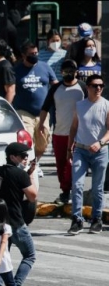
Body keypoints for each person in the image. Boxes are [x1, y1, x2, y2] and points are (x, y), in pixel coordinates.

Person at [0, 142, 38, 286]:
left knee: (1, 259)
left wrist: (27, 172)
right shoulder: (20, 174)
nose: (26, 159)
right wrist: (30, 176)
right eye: (22, 156)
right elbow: (32, 196)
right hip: (16, 223)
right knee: (30, 255)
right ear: (12, 157)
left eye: (27, 156)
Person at [38, 59, 86, 205]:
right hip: (59, 133)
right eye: (66, 71)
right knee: (61, 164)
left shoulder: (83, 88)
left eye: (72, 71)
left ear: (76, 72)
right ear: (61, 72)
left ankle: (74, 190)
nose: (69, 74)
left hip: (78, 134)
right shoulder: (56, 88)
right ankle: (65, 192)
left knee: (74, 164)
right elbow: (45, 107)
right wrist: (41, 124)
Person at [67, 74, 109, 235]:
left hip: (101, 151)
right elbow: (73, 127)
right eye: (94, 85)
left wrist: (100, 142)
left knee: (98, 187)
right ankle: (77, 220)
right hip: (81, 150)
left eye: (101, 85)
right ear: (88, 87)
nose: (98, 88)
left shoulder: (106, 105)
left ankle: (96, 219)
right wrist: (69, 148)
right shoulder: (79, 105)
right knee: (77, 185)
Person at [12, 41, 58, 165]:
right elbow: (11, 89)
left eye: (36, 53)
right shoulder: (16, 70)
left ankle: (34, 163)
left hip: (43, 112)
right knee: (27, 138)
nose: (34, 55)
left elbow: (55, 85)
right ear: (23, 55)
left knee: (43, 142)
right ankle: (27, 164)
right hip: (24, 111)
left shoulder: (45, 67)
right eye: (31, 54)